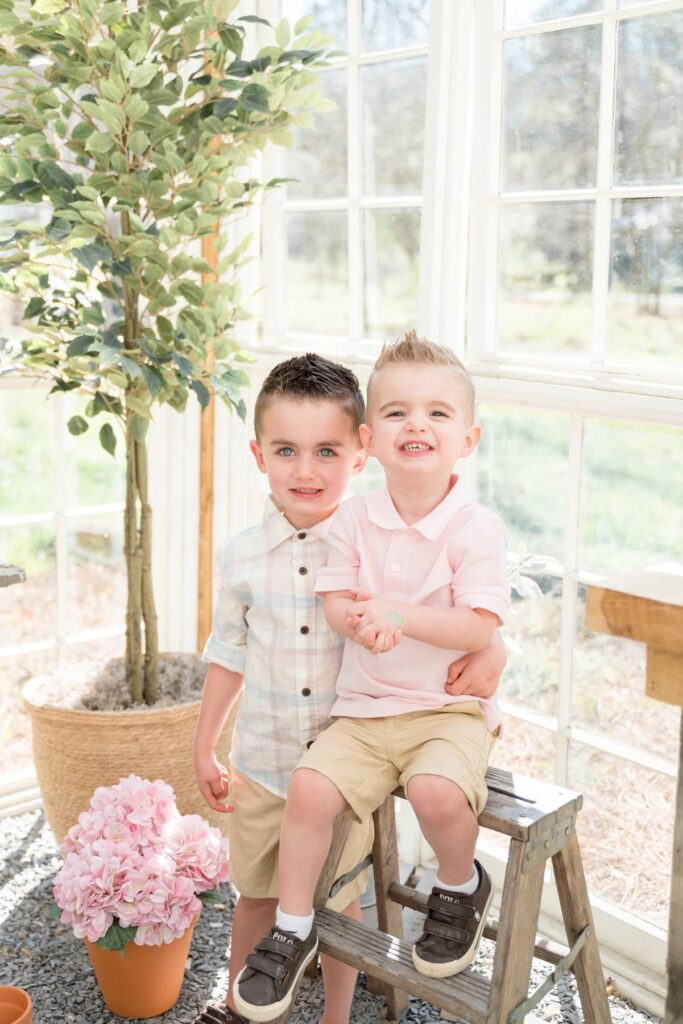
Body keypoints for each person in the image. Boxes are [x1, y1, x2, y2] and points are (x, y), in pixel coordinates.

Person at [194, 351, 506, 1024]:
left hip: (351, 745)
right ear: (259, 455)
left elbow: (466, 601)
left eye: (325, 452)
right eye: (286, 452)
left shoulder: (370, 528)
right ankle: (238, 999)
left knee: (337, 897)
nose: (306, 471)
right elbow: (228, 650)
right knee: (256, 896)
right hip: (275, 757)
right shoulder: (264, 551)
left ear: (356, 454)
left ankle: (337, 1013)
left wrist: (495, 645)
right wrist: (203, 744)